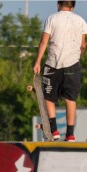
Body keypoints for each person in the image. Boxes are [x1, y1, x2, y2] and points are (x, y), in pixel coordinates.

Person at [33, 1, 87, 142]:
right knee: (70, 99)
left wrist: (38, 61)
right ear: (73, 6)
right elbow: (83, 45)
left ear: (58, 4)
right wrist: (78, 56)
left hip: (52, 65)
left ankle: (54, 129)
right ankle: (70, 134)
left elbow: (44, 42)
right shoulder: (81, 21)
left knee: (49, 97)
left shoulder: (52, 18)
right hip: (72, 66)